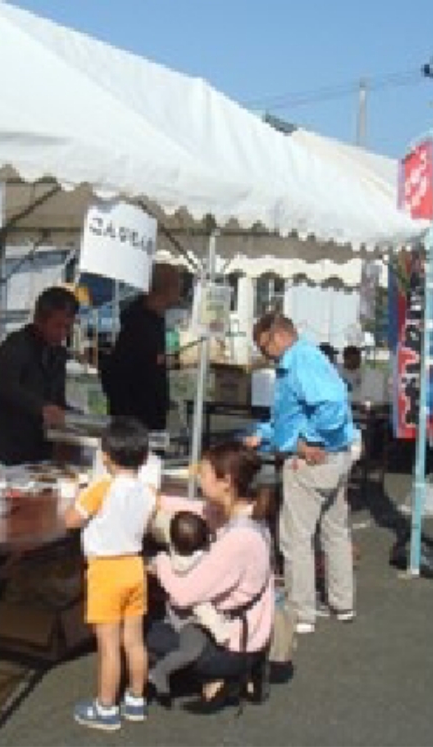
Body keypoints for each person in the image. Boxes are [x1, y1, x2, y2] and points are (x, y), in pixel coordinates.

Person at [246, 313, 355, 635]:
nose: (264, 354)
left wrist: (311, 438)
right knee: (335, 532)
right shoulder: (309, 358)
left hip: (310, 462)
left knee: (296, 537)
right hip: (337, 454)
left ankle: (301, 611)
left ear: (277, 336)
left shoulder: (299, 361)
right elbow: (295, 414)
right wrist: (266, 434)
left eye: (264, 346)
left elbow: (332, 403)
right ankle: (342, 602)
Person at [148, 441, 275, 713]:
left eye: (203, 474)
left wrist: (159, 563)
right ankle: (233, 673)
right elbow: (199, 509)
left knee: (145, 629)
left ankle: (220, 674)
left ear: (226, 481)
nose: (198, 478)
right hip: (250, 629)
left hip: (235, 644)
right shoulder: (248, 514)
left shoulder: (239, 539)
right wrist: (156, 500)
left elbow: (182, 594)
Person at [64, 417, 157, 731]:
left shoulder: (101, 489)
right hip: (134, 565)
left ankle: (105, 706)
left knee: (108, 645)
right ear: (144, 457)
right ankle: (135, 698)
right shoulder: (149, 493)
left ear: (105, 456)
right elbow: (143, 526)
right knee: (134, 640)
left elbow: (71, 521)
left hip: (105, 570)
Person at [0, 286, 79, 465]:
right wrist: (41, 407)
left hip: (41, 447)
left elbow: (57, 397)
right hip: (8, 446)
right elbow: (5, 387)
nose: (62, 333)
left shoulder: (58, 354)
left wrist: (70, 415)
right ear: (39, 320)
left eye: (67, 327)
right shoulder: (15, 346)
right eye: (57, 326)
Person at [146, 511, 229, 702]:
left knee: (192, 649)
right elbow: (204, 609)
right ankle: (161, 671)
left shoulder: (166, 559)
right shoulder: (204, 563)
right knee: (192, 650)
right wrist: (221, 633)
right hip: (193, 621)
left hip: (177, 616)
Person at [100, 264, 183, 431]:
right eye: (178, 285)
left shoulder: (154, 321)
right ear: (166, 288)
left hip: (149, 417)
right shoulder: (138, 326)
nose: (181, 291)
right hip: (136, 421)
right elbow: (120, 373)